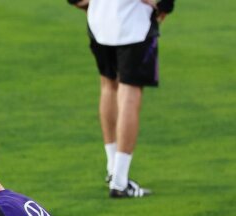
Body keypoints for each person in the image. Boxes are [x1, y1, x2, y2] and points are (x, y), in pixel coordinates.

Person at [68, 0, 176, 198]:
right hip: (133, 25)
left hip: (99, 24)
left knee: (108, 86)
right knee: (129, 93)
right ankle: (120, 180)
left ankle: (113, 169)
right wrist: (164, 5)